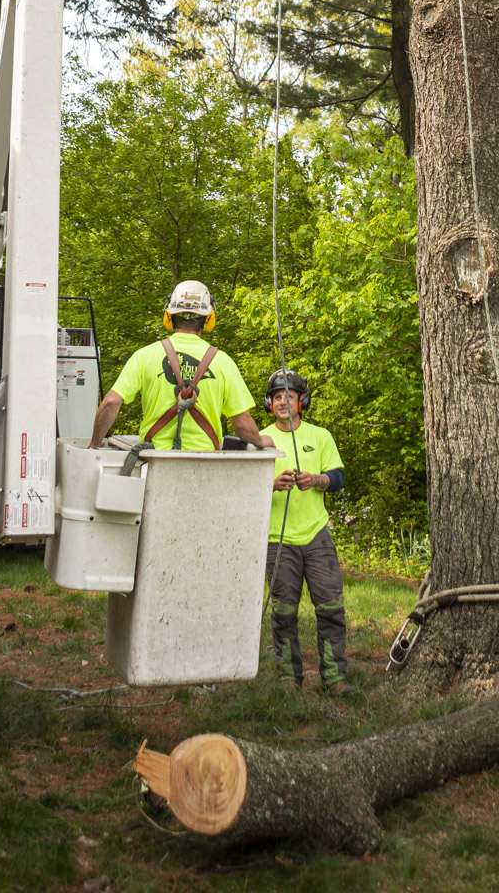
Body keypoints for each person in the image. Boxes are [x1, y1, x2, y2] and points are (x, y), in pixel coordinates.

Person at [88, 279, 267, 452]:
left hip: (154, 461)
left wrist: (95, 443)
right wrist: (259, 440)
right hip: (205, 464)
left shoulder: (144, 356)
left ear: (169, 316)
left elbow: (111, 402)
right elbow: (242, 424)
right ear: (208, 319)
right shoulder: (223, 362)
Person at [261, 368, 350, 694]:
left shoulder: (320, 436)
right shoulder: (260, 440)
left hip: (316, 536)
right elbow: (244, 486)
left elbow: (338, 478)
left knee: (330, 607)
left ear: (302, 401)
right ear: (270, 404)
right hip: (276, 539)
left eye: (291, 396)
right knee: (283, 612)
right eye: (278, 397)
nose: (284, 402)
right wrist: (272, 484)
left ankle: (335, 676)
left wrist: (316, 480)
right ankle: (288, 678)